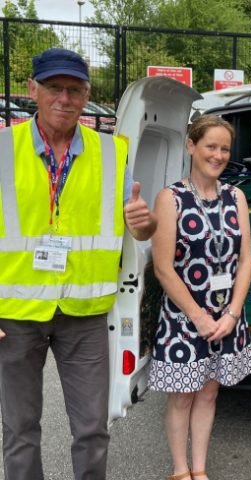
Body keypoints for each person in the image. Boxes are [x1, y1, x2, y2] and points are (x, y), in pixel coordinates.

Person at [0, 48, 156, 480]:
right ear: (33, 89)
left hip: (84, 315)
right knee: (19, 429)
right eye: (54, 88)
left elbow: (139, 229)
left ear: (87, 95)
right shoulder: (1, 150)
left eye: (75, 90)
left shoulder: (113, 153)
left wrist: (146, 223)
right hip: (13, 315)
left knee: (91, 429)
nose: (64, 99)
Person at [149, 114, 251, 480]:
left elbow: (245, 260)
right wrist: (198, 316)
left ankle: (200, 468)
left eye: (225, 148)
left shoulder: (236, 196)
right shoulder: (170, 198)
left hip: (226, 316)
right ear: (191, 146)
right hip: (185, 318)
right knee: (182, 396)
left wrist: (232, 312)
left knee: (209, 394)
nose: (218, 154)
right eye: (211, 146)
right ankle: (180, 471)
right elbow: (163, 267)